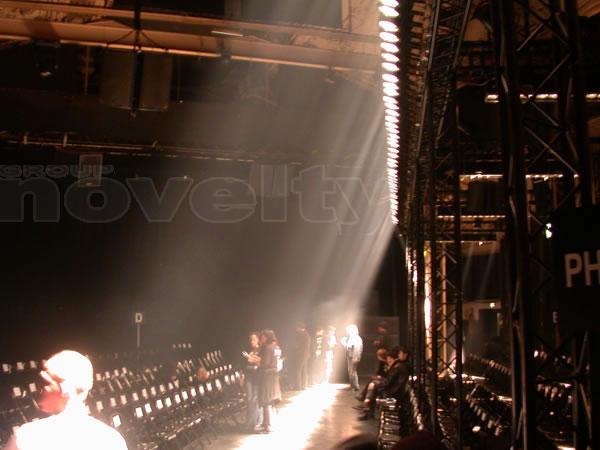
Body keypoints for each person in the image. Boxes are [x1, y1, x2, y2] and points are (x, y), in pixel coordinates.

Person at [3, 350, 128, 450]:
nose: (38, 390)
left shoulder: (27, 436)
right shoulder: (112, 440)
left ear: (65, 388)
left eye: (44, 383)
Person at [358, 346, 410, 420]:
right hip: (396, 389)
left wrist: (377, 384)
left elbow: (388, 382)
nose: (398, 355)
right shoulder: (401, 366)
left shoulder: (399, 366)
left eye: (400, 353)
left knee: (373, 387)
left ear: (405, 355)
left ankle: (366, 406)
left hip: (393, 391)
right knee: (373, 386)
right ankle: (366, 406)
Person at [258, 329, 282, 433]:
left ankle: (267, 425)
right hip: (275, 375)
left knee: (266, 401)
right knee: (271, 400)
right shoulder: (277, 347)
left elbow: (265, 363)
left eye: (263, 337)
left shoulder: (268, 348)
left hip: (267, 376)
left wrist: (257, 362)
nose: (261, 338)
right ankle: (265, 423)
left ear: (267, 337)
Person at [241, 331, 263, 433]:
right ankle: (250, 422)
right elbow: (243, 364)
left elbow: (262, 363)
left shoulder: (261, 350)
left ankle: (256, 422)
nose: (251, 341)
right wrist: (242, 375)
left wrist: (254, 360)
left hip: (257, 377)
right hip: (249, 376)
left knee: (255, 399)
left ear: (258, 340)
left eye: (254, 339)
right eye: (250, 339)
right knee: (249, 399)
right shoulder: (248, 350)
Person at [341, 324, 363, 391]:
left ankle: (355, 386)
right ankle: (352, 385)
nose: (347, 332)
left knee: (353, 372)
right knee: (350, 371)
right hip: (350, 356)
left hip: (354, 356)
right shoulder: (351, 338)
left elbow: (358, 349)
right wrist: (344, 343)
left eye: (348, 331)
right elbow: (349, 347)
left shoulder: (356, 338)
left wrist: (356, 357)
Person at [292, 322, 311, 390]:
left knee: (298, 370)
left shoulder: (302, 335)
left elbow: (298, 345)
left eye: (297, 328)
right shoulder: (307, 334)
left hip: (301, 354)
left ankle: (298, 386)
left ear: (300, 327)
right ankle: (304, 385)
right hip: (306, 354)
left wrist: (295, 347)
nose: (296, 329)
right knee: (304, 370)